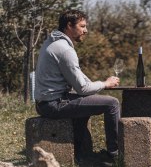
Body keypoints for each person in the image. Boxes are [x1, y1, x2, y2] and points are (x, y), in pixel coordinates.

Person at [34, 10, 120, 164]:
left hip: (44, 103)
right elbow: (82, 88)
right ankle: (114, 154)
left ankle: (82, 155)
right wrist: (105, 84)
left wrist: (96, 84)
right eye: (82, 26)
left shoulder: (53, 41)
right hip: (53, 104)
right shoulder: (65, 49)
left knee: (86, 103)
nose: (85, 30)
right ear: (69, 25)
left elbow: (78, 76)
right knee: (112, 103)